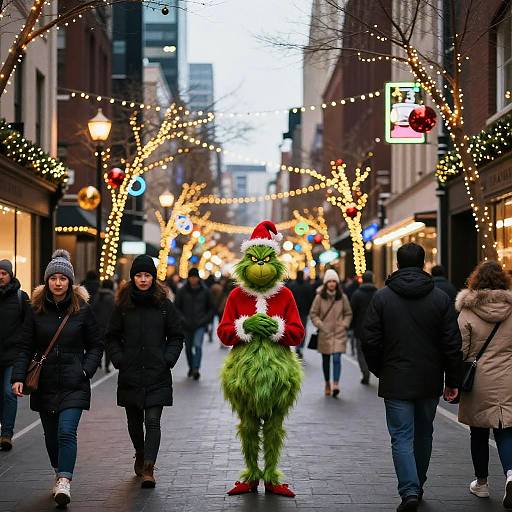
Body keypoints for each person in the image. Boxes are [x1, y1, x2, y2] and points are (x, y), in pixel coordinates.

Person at [363, 243, 462, 512]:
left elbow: (369, 340)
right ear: (423, 263)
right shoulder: (440, 298)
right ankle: (417, 485)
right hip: (429, 378)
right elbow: (452, 343)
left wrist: (380, 369)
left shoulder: (382, 298)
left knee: (401, 436)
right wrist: (453, 380)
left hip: (395, 378)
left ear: (397, 264)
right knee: (424, 433)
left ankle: (409, 490)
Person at [11, 250, 103, 507]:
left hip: (75, 383)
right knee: (51, 436)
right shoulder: (36, 310)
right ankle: (58, 469)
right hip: (44, 382)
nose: (58, 283)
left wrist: (85, 370)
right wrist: (18, 376)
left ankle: (64, 480)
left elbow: (96, 344)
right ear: (47, 281)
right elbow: (24, 346)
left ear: (70, 282)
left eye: (63, 278)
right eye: (54, 278)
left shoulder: (82, 310)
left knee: (66, 432)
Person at [106, 255, 183, 488]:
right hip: (130, 372)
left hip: (157, 373)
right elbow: (111, 336)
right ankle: (140, 452)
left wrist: (167, 359)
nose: (142, 279)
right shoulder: (123, 305)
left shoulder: (164, 305)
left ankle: (149, 467)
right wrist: (119, 359)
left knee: (152, 421)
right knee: (133, 422)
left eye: (147, 275)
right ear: (132, 278)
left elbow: (176, 336)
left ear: (153, 277)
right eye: (138, 275)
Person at [455, 261, 512, 507]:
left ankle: (482, 483)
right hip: (508, 378)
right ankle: (511, 474)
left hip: (478, 381)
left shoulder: (467, 312)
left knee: (478, 432)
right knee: (505, 429)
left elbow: (461, 349)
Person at [0, 260, 29, 451]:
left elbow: (29, 327)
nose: (0, 276)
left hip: (13, 355)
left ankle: (6, 434)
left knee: (9, 393)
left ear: (10, 275)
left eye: (3, 273)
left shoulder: (21, 297)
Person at [309, 269, 352, 398]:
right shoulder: (319, 297)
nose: (332, 284)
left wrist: (344, 324)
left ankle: (336, 384)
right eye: (330, 281)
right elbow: (313, 314)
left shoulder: (342, 297)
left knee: (337, 359)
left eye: (334, 281)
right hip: (325, 333)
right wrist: (320, 325)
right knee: (326, 360)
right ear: (326, 283)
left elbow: (348, 313)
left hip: (339, 333)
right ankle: (327, 383)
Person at [174, 268, 214, 380]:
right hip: (186, 325)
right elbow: (176, 307)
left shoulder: (205, 291)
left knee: (197, 346)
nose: (193, 280)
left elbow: (211, 308)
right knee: (187, 348)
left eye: (195, 277)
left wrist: (205, 320)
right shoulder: (182, 291)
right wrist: (182, 319)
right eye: (191, 277)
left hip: (199, 324)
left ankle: (196, 368)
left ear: (198, 278)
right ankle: (191, 367)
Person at [350, 270, 376, 385]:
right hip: (375, 328)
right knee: (372, 350)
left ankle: (365, 371)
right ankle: (371, 368)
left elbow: (352, 312)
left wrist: (351, 326)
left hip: (360, 328)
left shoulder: (357, 294)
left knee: (360, 352)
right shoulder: (378, 293)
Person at [287, 270, 315, 359]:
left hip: (294, 312)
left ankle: (297, 346)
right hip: (304, 312)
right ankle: (300, 347)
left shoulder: (292, 286)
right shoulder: (307, 286)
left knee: (294, 329)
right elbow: (311, 299)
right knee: (302, 330)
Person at [91, 279, 116, 372]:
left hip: (97, 325)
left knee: (98, 345)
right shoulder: (112, 298)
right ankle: (106, 365)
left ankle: (98, 363)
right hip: (108, 325)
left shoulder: (97, 296)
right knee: (108, 347)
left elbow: (92, 309)